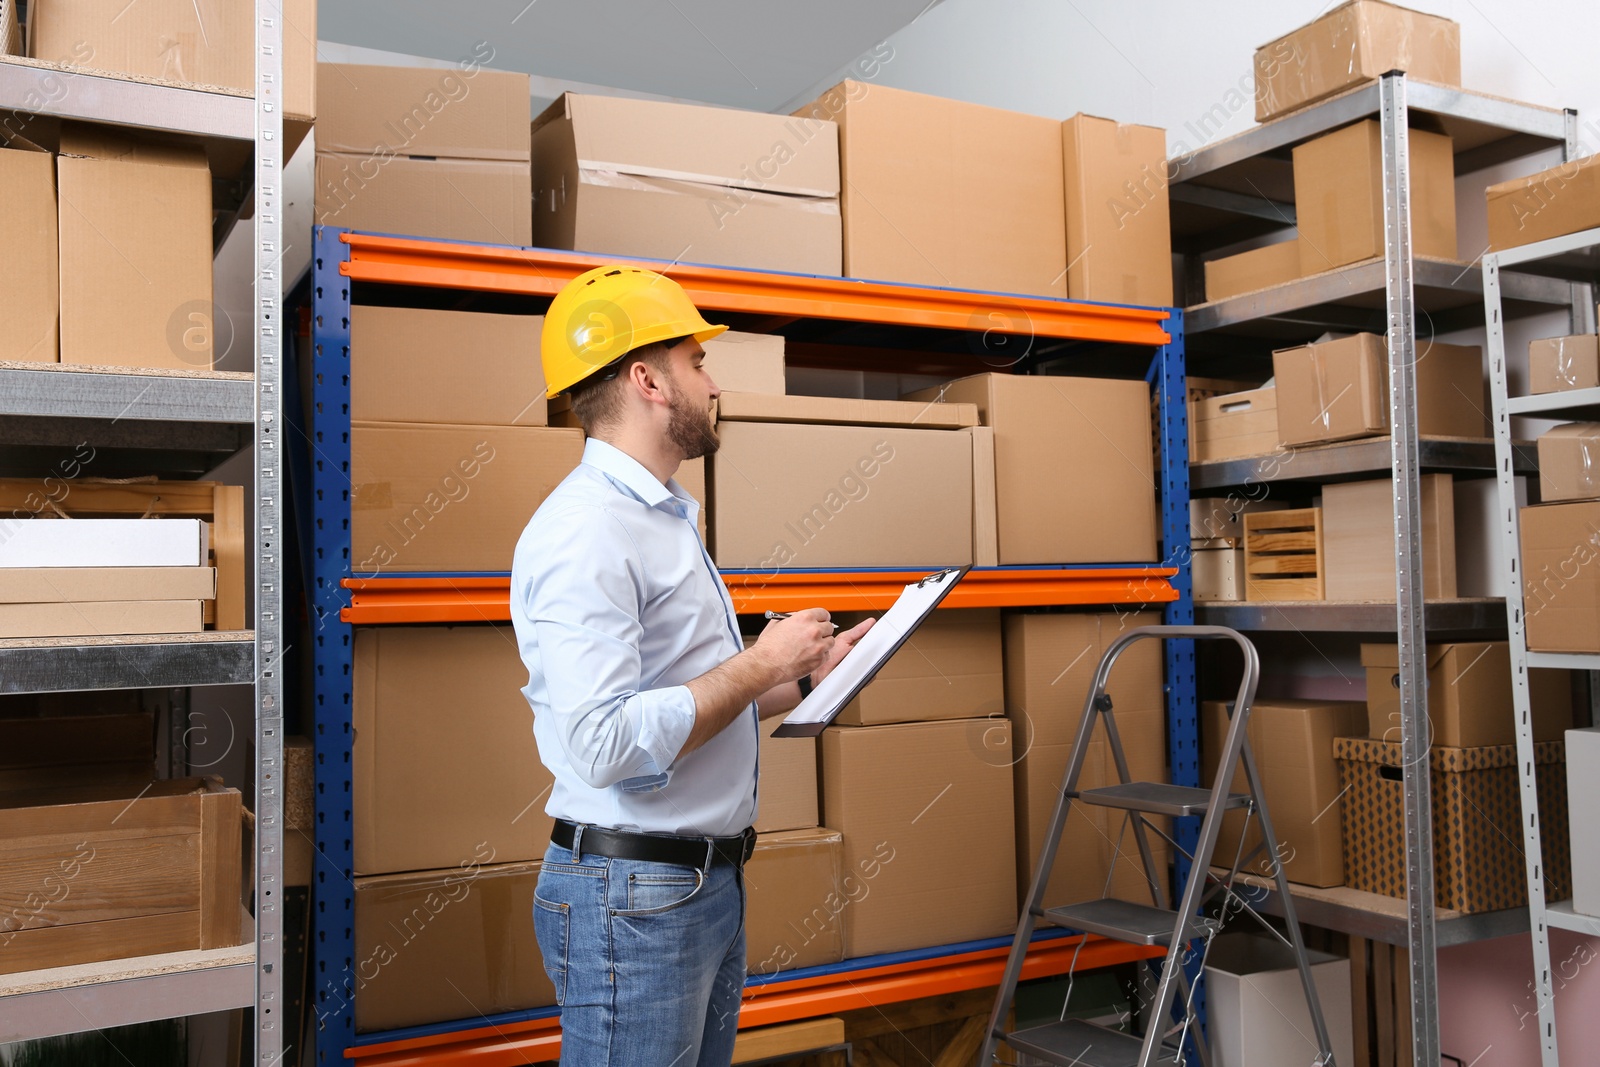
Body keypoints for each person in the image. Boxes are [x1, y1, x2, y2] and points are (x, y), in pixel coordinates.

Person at [510, 265, 873, 1066]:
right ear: (647, 379)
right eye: (696, 361)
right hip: (633, 898)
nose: (713, 382)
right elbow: (603, 742)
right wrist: (759, 660)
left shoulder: (662, 516)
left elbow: (686, 706)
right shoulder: (588, 531)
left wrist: (809, 675)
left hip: (699, 885)